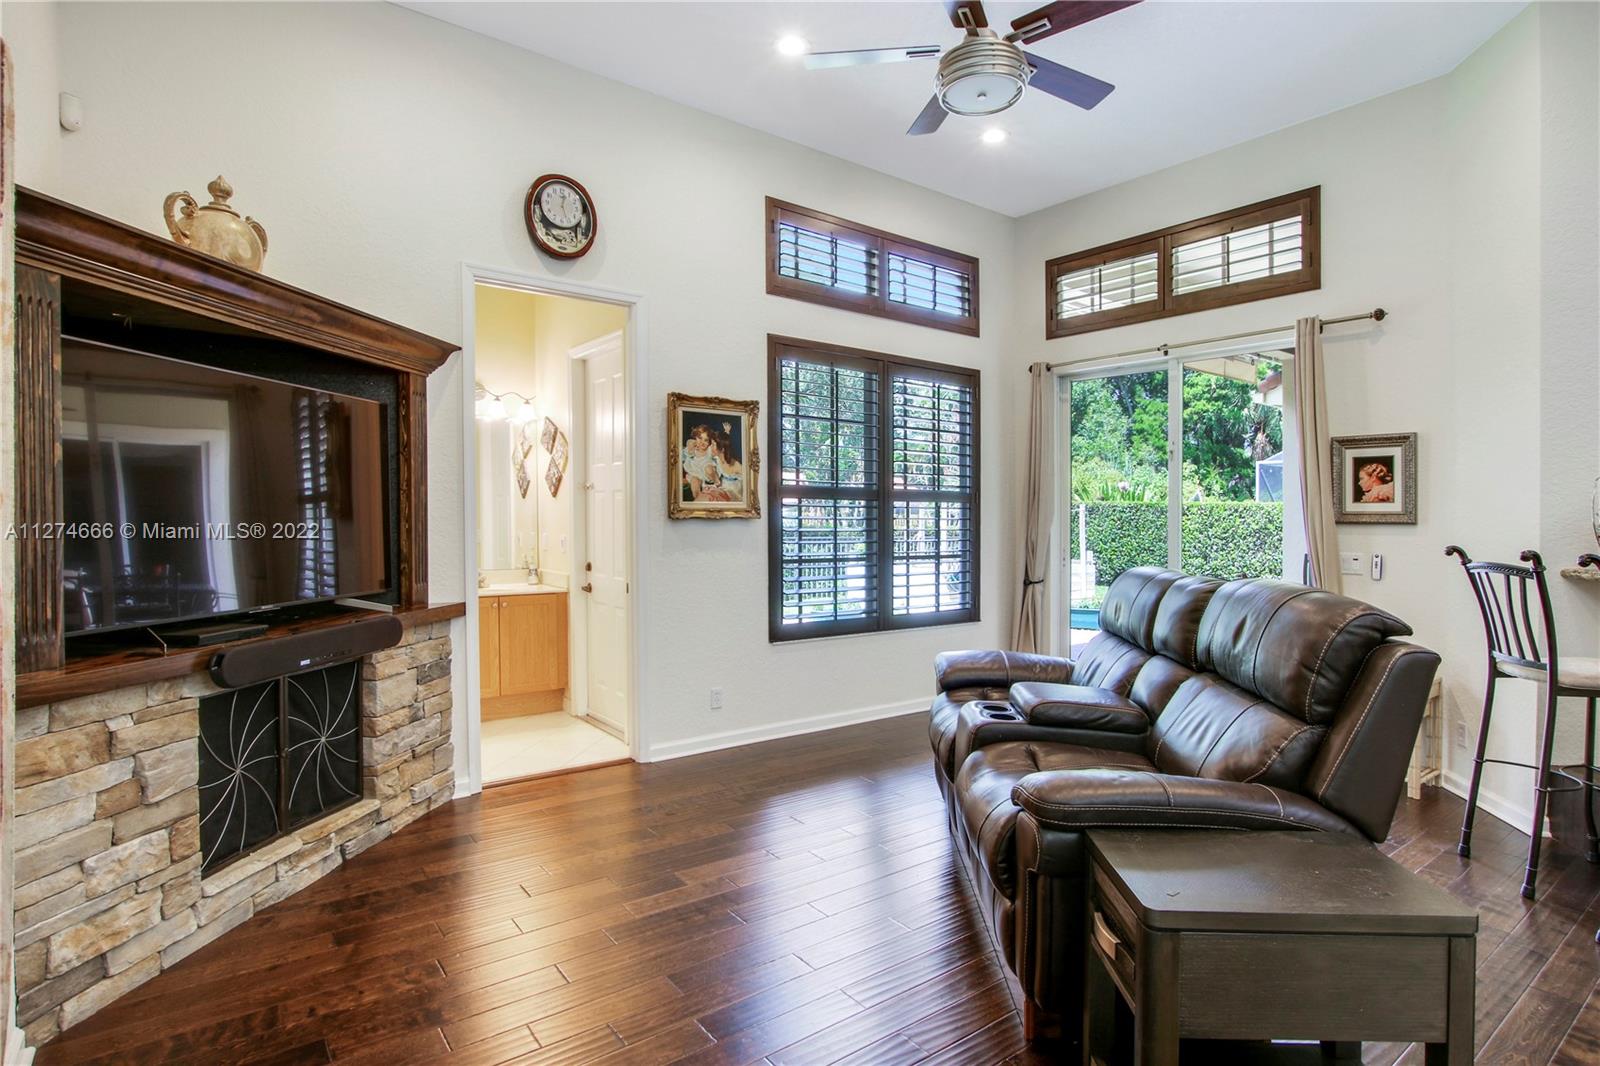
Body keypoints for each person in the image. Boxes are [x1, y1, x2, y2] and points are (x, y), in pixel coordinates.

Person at [700, 424, 744, 503]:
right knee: (707, 495)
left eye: (713, 445)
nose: (710, 447)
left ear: (722, 449)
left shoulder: (736, 465)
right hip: (722, 490)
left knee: (710, 496)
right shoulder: (717, 459)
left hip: (734, 496)